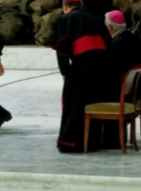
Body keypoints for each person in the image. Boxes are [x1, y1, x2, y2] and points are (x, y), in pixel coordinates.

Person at [54, 0, 112, 153]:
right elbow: (108, 42)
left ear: (65, 7)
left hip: (83, 65)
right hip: (101, 66)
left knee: (75, 100)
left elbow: (63, 48)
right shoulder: (95, 19)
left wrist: (65, 72)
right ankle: (92, 141)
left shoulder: (66, 19)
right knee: (92, 100)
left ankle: (72, 142)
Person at [102, 10, 141, 148]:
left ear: (110, 27)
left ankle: (105, 139)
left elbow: (111, 71)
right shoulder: (132, 38)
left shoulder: (117, 43)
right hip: (133, 91)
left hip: (119, 91)